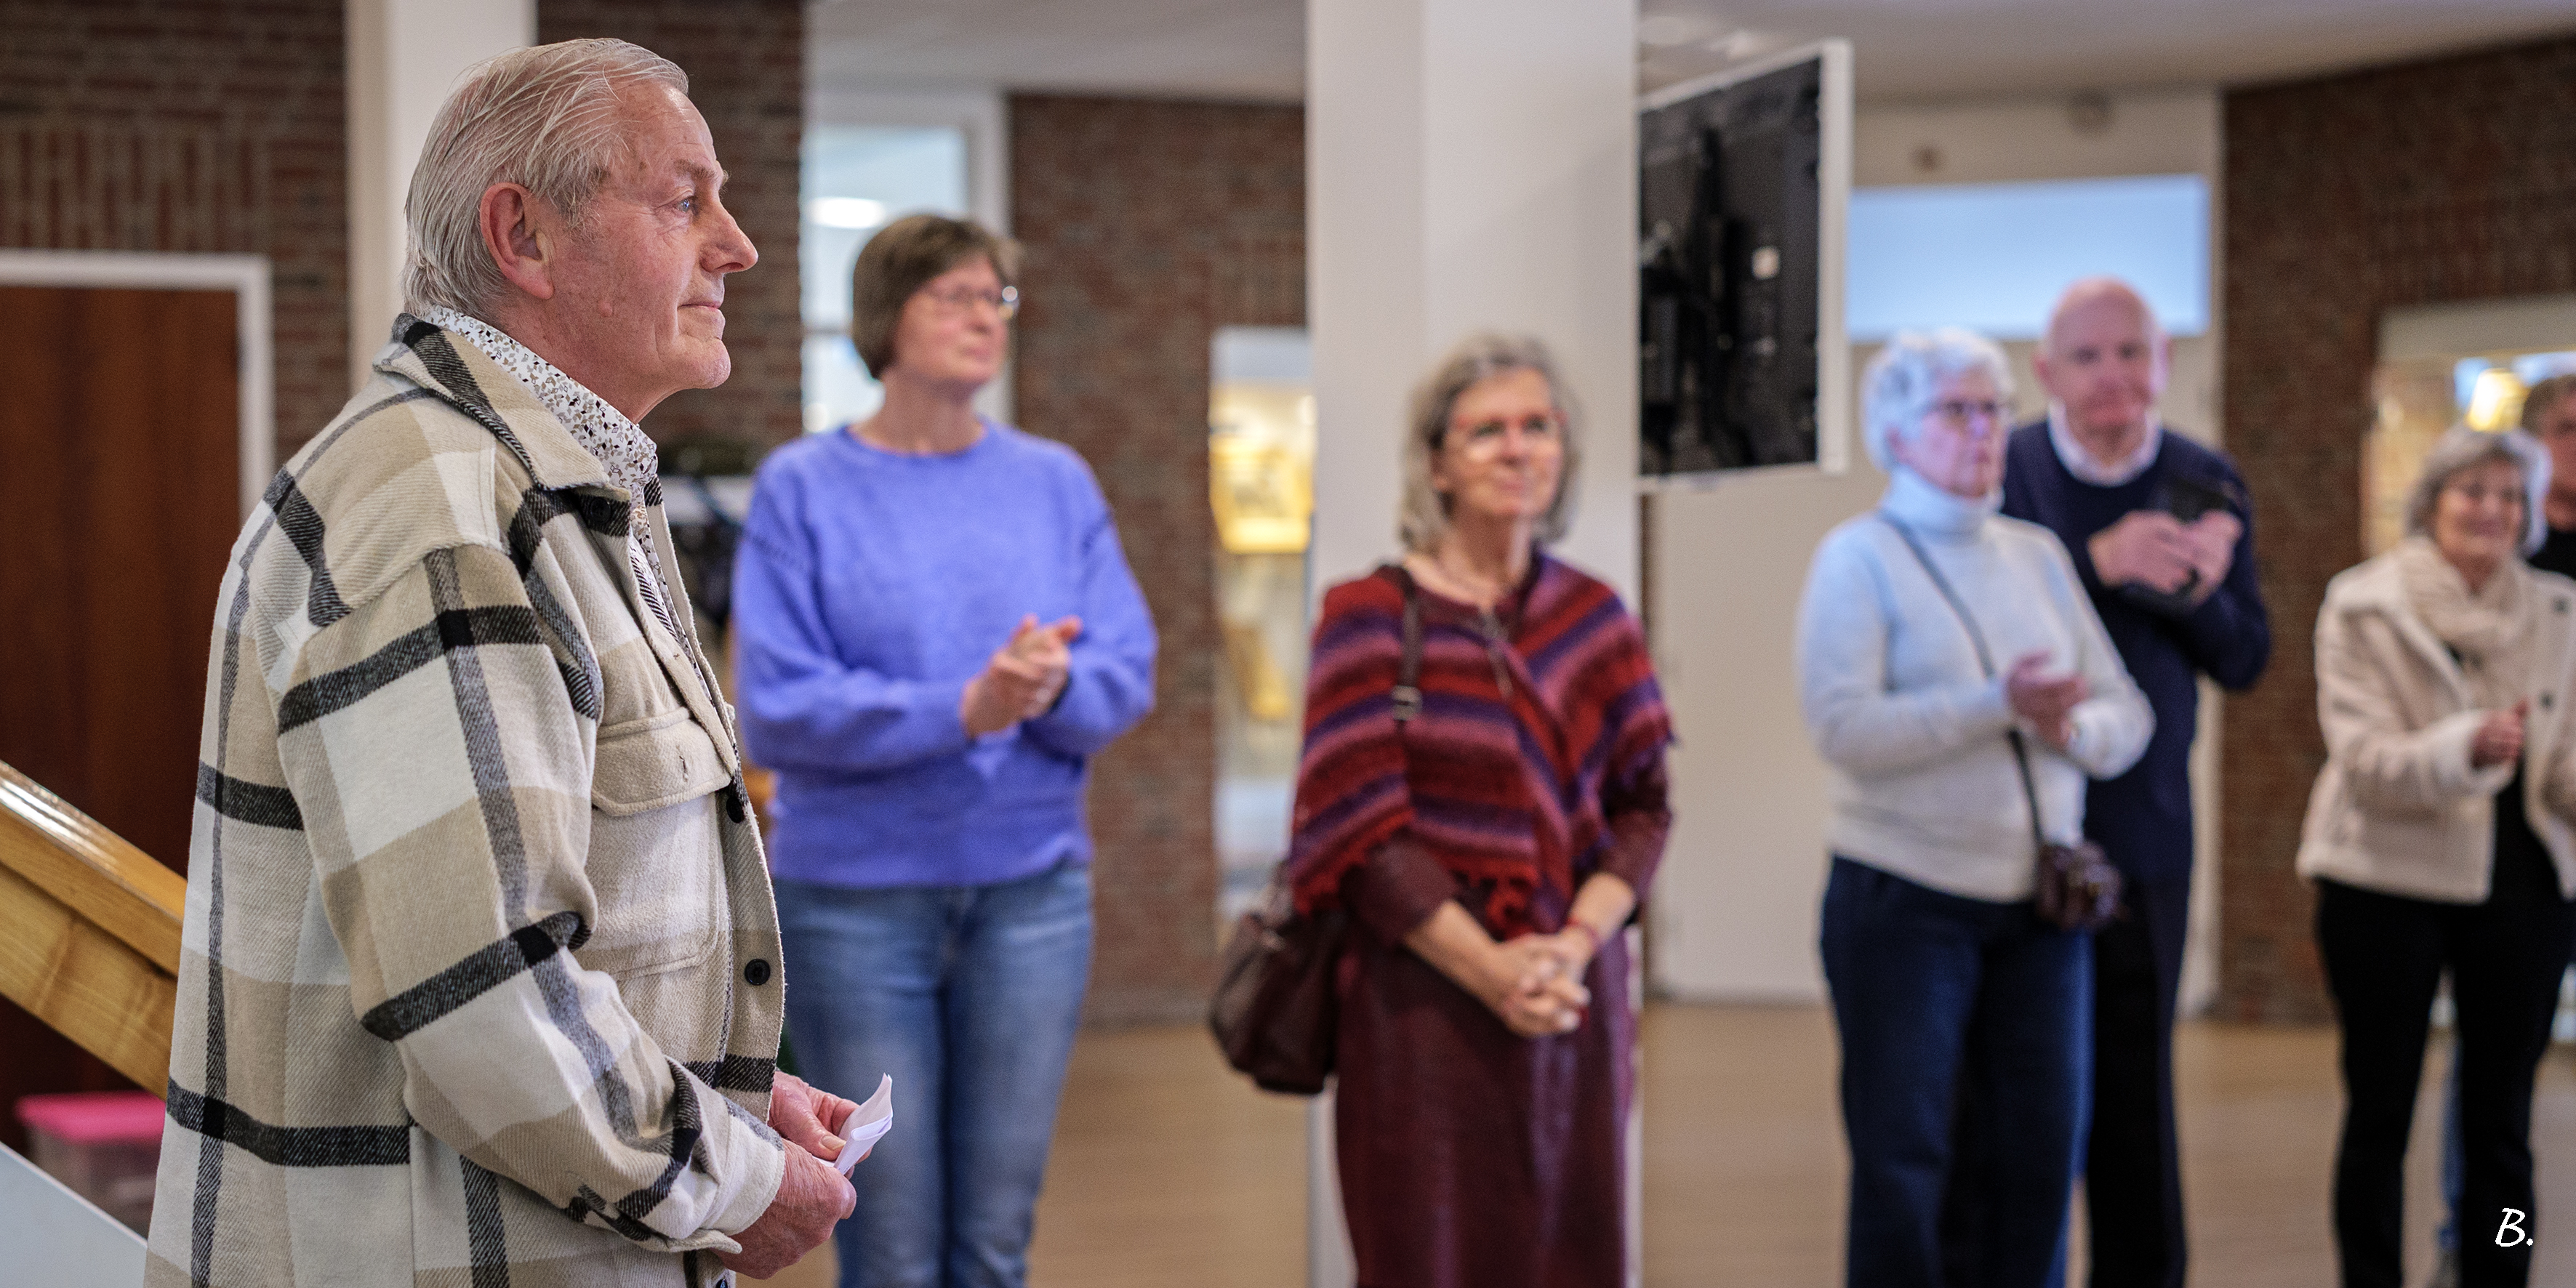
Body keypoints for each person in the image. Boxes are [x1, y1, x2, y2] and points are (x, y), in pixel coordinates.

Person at [151, 40, 857, 1286]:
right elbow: (486, 996)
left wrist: (722, 1091)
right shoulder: (443, 509)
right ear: (523, 237)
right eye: (684, 199)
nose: (736, 245)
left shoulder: (547, 486)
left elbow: (548, 923)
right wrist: (731, 1179)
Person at [730, 213, 1157, 1288]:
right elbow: (775, 709)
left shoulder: (1055, 480)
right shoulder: (802, 486)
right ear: (885, 319)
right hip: (855, 907)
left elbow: (1126, 669)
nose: (984, 318)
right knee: (891, 1238)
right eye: (954, 296)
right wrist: (963, 707)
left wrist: (1050, 687)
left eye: (996, 300)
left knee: (994, 1241)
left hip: (1033, 900)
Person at [1283, 333, 1672, 1287]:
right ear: (1436, 463)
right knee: (1430, 1254)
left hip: (1572, 999)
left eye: (1536, 426)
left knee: (1569, 1246)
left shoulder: (1594, 616)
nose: (1515, 448)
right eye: (1485, 430)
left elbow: (1644, 807)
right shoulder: (1368, 613)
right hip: (1421, 1006)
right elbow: (1356, 832)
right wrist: (1490, 968)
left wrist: (1570, 950)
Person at [1797, 328, 2153, 1288]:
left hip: (2040, 907)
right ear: (1893, 434)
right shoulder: (1856, 558)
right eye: (1954, 411)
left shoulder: (2033, 555)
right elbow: (1842, 729)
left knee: (2038, 1157)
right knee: (1906, 1166)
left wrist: (2067, 732)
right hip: (1901, 906)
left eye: (1993, 409)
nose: (1982, 431)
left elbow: (2125, 712)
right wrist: (1995, 705)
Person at [1997, 276, 2271, 1288]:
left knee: (2132, 1096)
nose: (2110, 377)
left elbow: (2244, 659)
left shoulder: (2203, 478)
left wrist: (2192, 594)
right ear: (2045, 372)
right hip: (2013, 824)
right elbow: (1981, 627)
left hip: (2145, 831)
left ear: (2162, 366)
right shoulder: (2009, 467)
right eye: (2086, 356)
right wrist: (2094, 563)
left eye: (2130, 354)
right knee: (2013, 1090)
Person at [2300, 425, 2576, 1288]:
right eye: (2472, 491)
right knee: (2379, 1116)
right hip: (2384, 879)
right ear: (2431, 501)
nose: (2492, 511)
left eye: (2509, 495)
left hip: (2523, 887)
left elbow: (2563, 757)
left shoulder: (2559, 608)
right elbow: (2364, 756)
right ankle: (2371, 1274)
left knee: (2502, 1123)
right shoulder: (2363, 602)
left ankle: (2501, 1269)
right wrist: (2465, 746)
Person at [2429, 373, 2576, 1287]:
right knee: (2498, 1086)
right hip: (2505, 852)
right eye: (2567, 427)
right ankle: (2484, 1245)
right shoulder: (2503, 557)